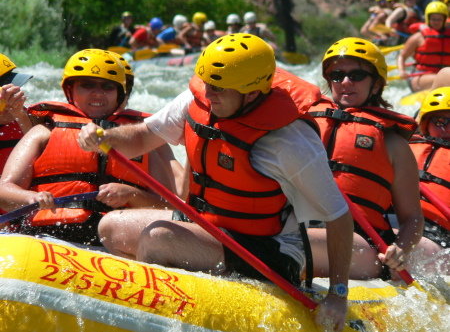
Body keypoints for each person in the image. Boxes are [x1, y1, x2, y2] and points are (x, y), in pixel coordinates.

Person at [77, 34, 354, 331]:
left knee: (158, 239)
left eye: (220, 88)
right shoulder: (198, 100)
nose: (209, 93)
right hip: (205, 225)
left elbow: (338, 216)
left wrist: (338, 295)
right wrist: (106, 138)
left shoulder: (290, 142)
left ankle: (151, 320)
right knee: (111, 227)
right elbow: (143, 136)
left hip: (268, 249)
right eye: (207, 82)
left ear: (251, 92)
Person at [0, 49, 184, 246]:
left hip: (114, 241)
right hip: (47, 235)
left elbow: (168, 207)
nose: (97, 93)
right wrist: (31, 197)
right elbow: (4, 191)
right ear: (69, 91)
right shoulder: (42, 132)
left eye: (107, 87)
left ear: (120, 94)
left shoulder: (139, 144)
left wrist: (132, 194)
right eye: (86, 86)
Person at [308, 37, 440, 281]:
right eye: (337, 75)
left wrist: (400, 249)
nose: (346, 82)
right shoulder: (308, 125)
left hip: (360, 243)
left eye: (357, 75)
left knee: (290, 241)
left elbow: (412, 217)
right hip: (304, 228)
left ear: (376, 85)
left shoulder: (394, 145)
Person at [409, 87, 450, 249]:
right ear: (425, 125)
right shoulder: (403, 148)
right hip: (391, 223)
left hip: (436, 234)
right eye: (440, 122)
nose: (447, 129)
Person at [0, 54, 34, 217]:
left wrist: (21, 116)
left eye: (15, 88)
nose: (14, 97)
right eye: (5, 94)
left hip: (18, 222)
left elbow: (45, 159)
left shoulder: (30, 118)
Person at [397, 1, 450, 92]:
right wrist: (402, 71)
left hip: (444, 74)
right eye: (433, 19)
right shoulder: (418, 37)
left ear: (445, 20)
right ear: (428, 19)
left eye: (439, 19)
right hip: (420, 76)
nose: (436, 22)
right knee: (446, 78)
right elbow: (402, 56)